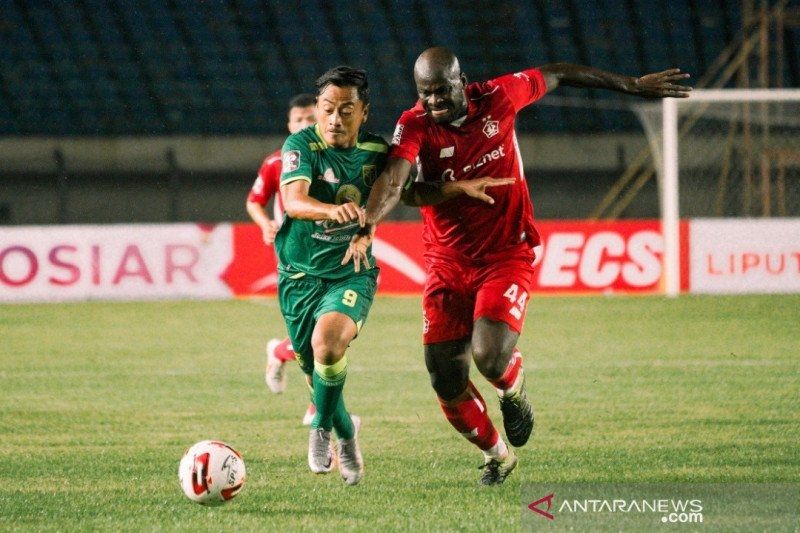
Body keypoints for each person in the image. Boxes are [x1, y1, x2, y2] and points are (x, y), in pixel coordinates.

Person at [343, 47, 691, 485]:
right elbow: (397, 180)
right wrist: (369, 222)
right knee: (445, 378)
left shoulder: (500, 97)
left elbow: (559, 73)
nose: (433, 102)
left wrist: (632, 85)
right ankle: (498, 455)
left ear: (461, 80)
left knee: (489, 357)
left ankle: (512, 387)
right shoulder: (414, 125)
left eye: (441, 91)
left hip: (507, 251)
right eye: (424, 94)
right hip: (447, 262)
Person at [277, 66, 387, 485]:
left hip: (350, 272)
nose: (335, 119)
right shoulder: (301, 144)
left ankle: (319, 427)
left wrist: (369, 225)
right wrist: (331, 210)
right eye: (327, 109)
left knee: (328, 344)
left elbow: (397, 189)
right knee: (318, 370)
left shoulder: (378, 151)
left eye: (346, 110)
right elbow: (293, 201)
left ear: (363, 112)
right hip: (298, 276)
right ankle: (346, 432)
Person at [246, 93, 318, 425]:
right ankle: (284, 356)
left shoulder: (337, 157)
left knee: (330, 333)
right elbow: (254, 201)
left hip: (333, 252)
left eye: (310, 118)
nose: (305, 124)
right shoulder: (278, 162)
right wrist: (265, 225)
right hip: (296, 255)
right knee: (315, 337)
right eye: (299, 120)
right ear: (289, 125)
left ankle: (280, 353)